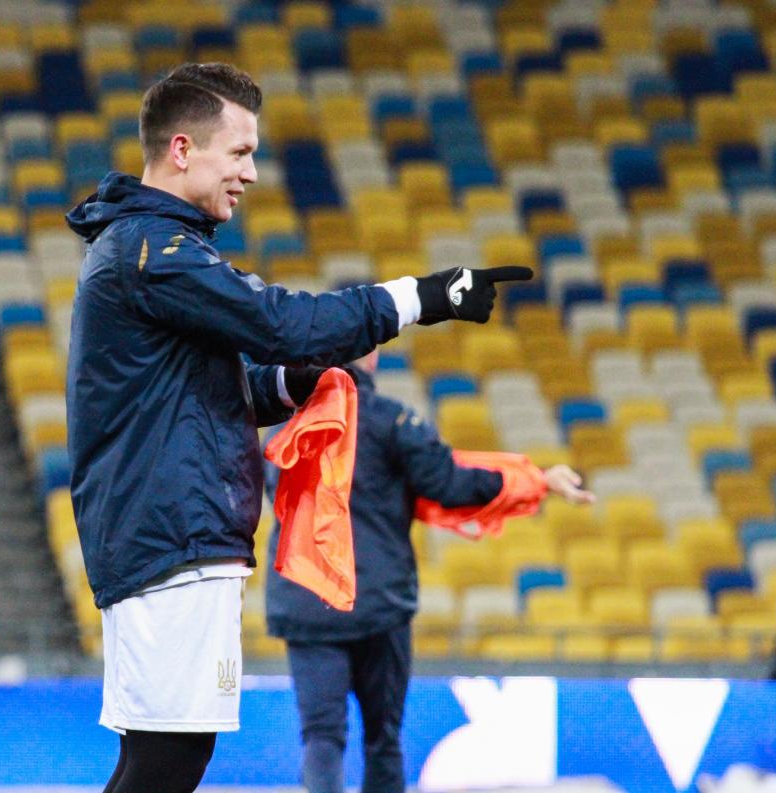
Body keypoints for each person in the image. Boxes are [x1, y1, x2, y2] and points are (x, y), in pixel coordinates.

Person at [63, 62, 531, 793]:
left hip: (164, 529)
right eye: (240, 152)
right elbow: (282, 323)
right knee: (170, 758)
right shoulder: (155, 251)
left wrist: (294, 386)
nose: (250, 173)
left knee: (161, 754)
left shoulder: (150, 248)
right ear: (182, 149)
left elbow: (208, 391)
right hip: (170, 534)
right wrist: (423, 296)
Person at [264, 346, 594, 793]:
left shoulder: (287, 430)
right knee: (383, 739)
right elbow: (451, 483)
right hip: (379, 603)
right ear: (372, 357)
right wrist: (534, 480)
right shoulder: (393, 421)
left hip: (307, 601)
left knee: (322, 736)